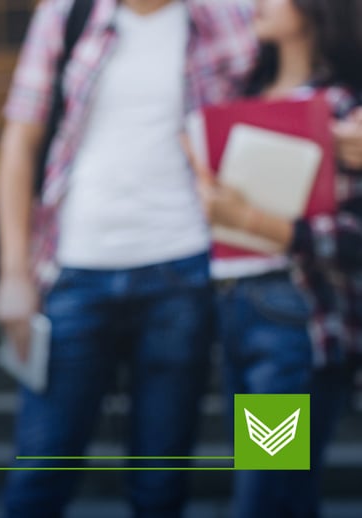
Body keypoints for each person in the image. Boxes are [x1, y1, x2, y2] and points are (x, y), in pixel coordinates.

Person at [0, 0, 257, 515]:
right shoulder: (66, 14)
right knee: (39, 474)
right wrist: (12, 273)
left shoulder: (229, 17)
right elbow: (19, 142)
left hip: (183, 272)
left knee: (159, 486)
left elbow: (297, 78)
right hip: (74, 273)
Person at [187, 0, 362, 515]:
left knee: (268, 495)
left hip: (297, 316)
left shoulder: (344, 110)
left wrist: (254, 222)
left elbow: (352, 235)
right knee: (281, 492)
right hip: (237, 306)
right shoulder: (241, 95)